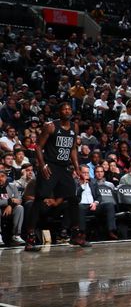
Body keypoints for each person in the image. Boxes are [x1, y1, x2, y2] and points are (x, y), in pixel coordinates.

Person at [24, 102, 89, 251]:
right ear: (59, 112)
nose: (67, 110)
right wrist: (42, 165)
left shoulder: (74, 127)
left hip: (64, 168)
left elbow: (73, 149)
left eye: (69, 109)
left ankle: (75, 234)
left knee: (73, 198)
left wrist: (77, 168)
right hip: (50, 166)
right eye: (64, 109)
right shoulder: (51, 126)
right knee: (40, 199)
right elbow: (38, 147)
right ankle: (30, 237)